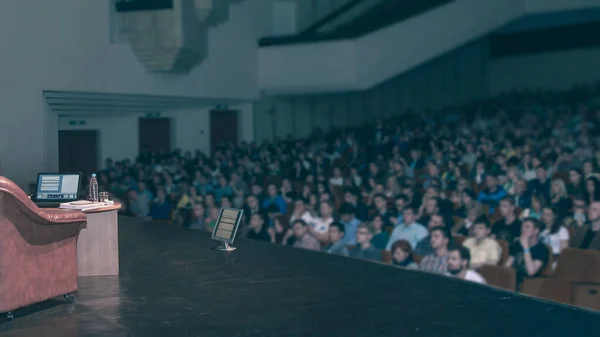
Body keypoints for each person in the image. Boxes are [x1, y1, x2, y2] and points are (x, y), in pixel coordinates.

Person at [504, 217, 549, 285]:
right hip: (512, 280)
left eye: (527, 227)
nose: (523, 229)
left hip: (530, 284)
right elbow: (507, 265)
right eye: (522, 227)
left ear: (536, 231)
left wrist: (526, 247)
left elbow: (531, 272)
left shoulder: (542, 249)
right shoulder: (517, 244)